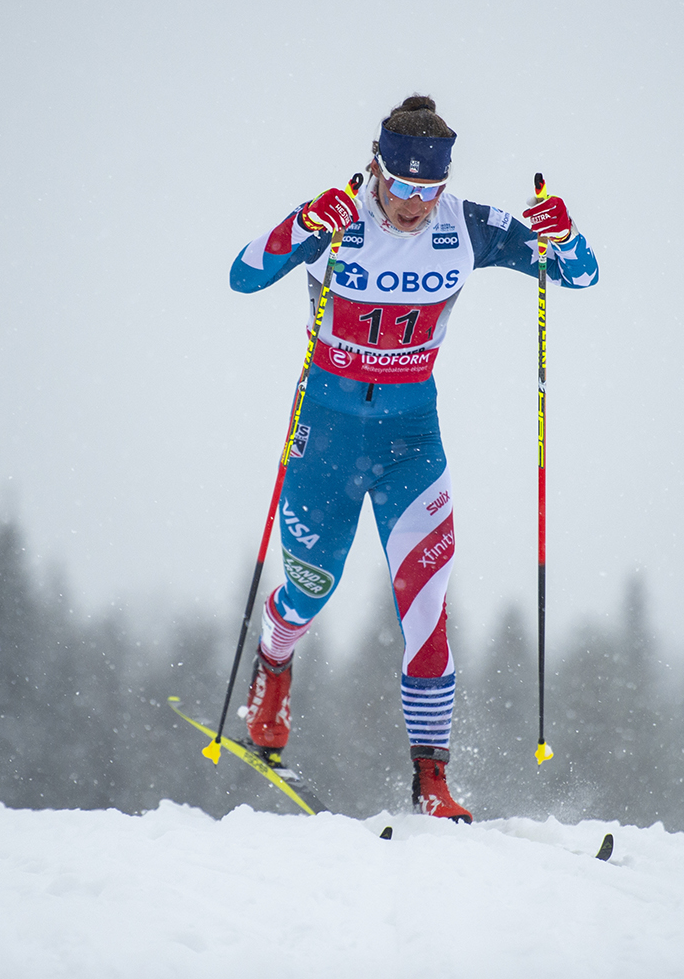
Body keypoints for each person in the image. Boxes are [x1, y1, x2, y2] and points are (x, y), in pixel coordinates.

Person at [227, 95, 599, 821]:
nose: (414, 206)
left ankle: (432, 780)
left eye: (429, 190)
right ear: (378, 170)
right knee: (309, 592)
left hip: (409, 443)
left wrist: (568, 236)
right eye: (401, 187)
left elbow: (578, 276)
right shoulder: (337, 217)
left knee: (426, 611)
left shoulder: (467, 227)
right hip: (326, 439)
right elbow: (242, 275)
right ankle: (274, 666)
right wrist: (300, 226)